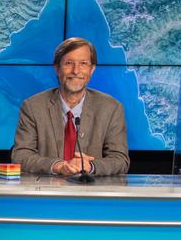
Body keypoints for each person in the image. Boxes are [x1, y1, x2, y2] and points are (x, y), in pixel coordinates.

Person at [11, 37, 130, 176]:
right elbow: (20, 155)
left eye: (83, 63)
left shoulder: (111, 108)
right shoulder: (33, 106)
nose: (76, 71)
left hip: (91, 188)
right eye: (69, 63)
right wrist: (58, 166)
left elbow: (120, 160)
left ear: (92, 69)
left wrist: (90, 166)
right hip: (47, 188)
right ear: (57, 69)